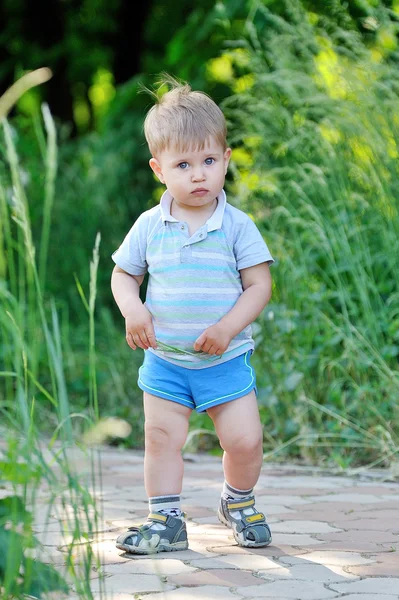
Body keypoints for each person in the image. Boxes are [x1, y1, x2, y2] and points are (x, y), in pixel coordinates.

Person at [111, 76, 274, 554]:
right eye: (184, 164)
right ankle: (165, 519)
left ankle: (238, 501)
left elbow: (259, 285)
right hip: (166, 361)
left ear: (226, 159)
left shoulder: (238, 226)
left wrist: (227, 327)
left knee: (244, 440)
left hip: (224, 359)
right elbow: (124, 276)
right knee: (161, 438)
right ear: (159, 169)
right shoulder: (149, 225)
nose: (198, 174)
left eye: (208, 161)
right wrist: (133, 309)